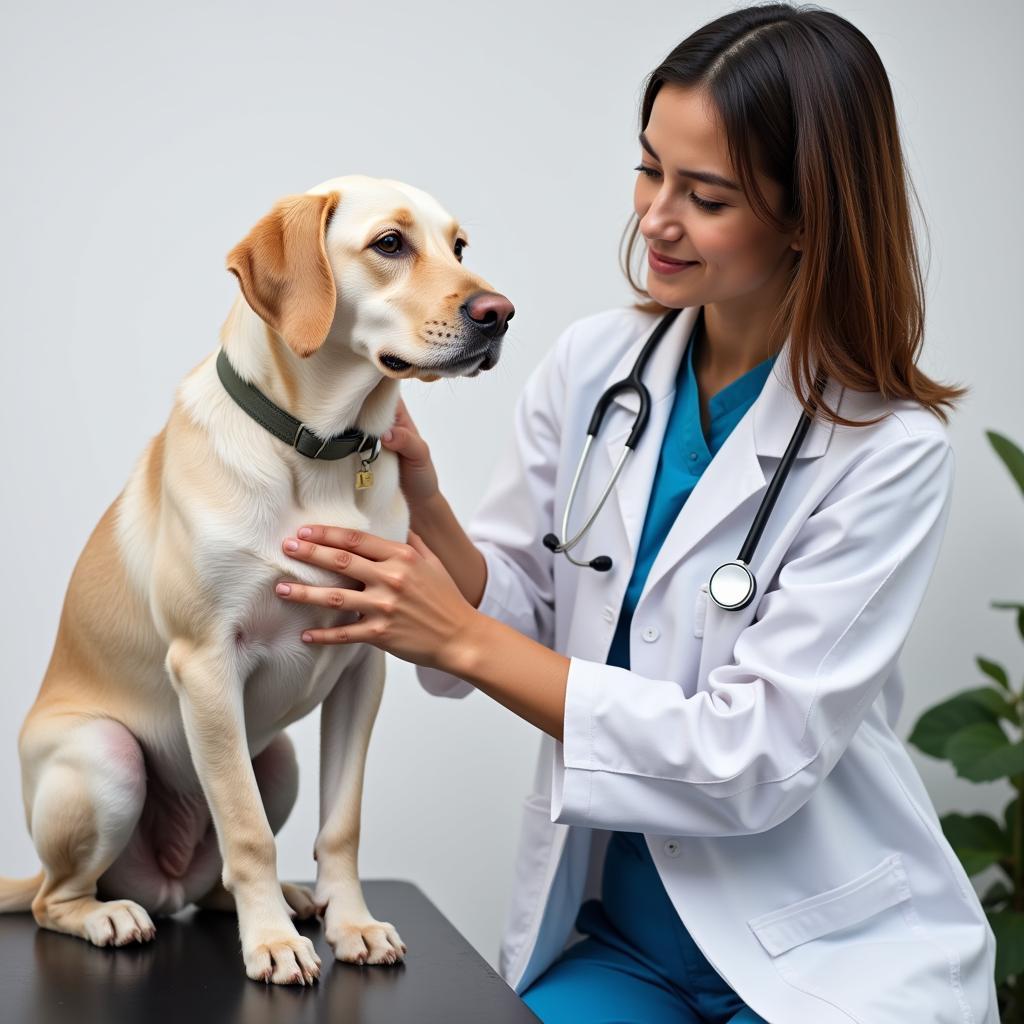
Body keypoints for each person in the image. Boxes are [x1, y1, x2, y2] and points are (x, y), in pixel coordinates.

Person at [272, 3, 998, 1021]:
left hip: (825, 953)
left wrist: (464, 643)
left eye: (705, 195)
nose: (655, 216)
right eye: (649, 168)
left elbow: (753, 757)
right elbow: (521, 610)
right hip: (625, 948)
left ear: (806, 216)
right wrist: (429, 516)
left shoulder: (888, 453)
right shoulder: (594, 368)